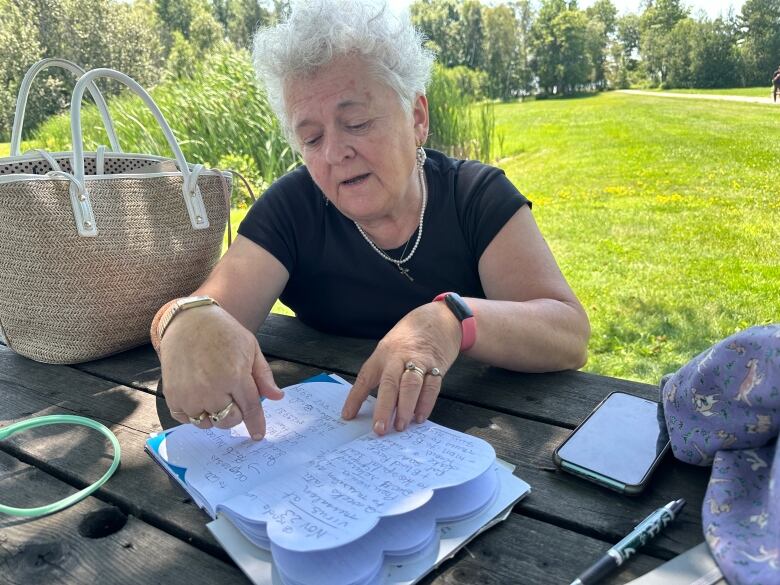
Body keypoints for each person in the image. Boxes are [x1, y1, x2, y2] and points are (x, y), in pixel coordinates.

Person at [152, 0, 590, 441]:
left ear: (417, 117)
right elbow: (204, 313)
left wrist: (452, 320)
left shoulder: (475, 196)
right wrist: (183, 323)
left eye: (356, 123)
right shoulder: (293, 208)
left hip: (485, 441)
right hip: (335, 453)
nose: (334, 153)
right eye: (312, 137)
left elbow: (568, 334)